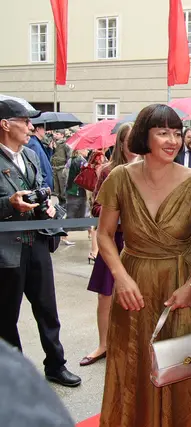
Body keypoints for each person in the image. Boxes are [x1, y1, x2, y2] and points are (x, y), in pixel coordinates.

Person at [96, 104, 191, 426]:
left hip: (181, 283)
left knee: (182, 363)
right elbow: (104, 234)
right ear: (144, 136)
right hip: (133, 284)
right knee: (131, 361)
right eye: (163, 132)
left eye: (177, 133)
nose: (173, 141)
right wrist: (121, 278)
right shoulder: (120, 177)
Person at [0, 99, 81, 388]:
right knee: (6, 316)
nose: (31, 127)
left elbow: (42, 189)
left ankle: (56, 365)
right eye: (25, 121)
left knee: (47, 308)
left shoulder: (32, 155)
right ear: (5, 124)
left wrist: (48, 205)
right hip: (6, 249)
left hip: (37, 242)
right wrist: (9, 203)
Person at [80, 123, 136, 367]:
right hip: (113, 239)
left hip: (140, 241)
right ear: (121, 143)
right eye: (130, 139)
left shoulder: (151, 170)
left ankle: (133, 345)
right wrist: (117, 208)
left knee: (140, 294)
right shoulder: (108, 171)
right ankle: (104, 344)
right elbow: (95, 207)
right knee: (106, 295)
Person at [26, 124, 54, 190]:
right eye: (43, 129)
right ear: (38, 129)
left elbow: (45, 160)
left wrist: (50, 149)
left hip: (45, 184)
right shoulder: (33, 144)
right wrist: (43, 184)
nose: (45, 131)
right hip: (42, 185)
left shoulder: (37, 142)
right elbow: (36, 166)